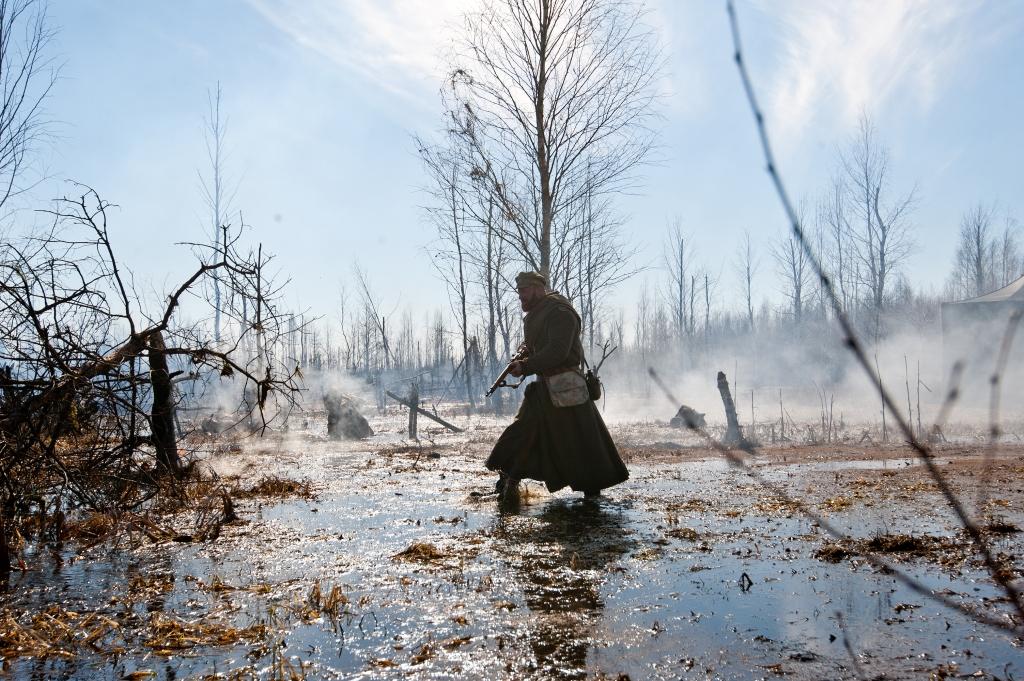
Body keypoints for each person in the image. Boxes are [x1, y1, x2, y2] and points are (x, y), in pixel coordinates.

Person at [486, 271, 629, 502]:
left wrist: (526, 365)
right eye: (519, 291)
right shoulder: (541, 313)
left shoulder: (560, 313)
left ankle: (591, 494)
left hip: (567, 389)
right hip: (546, 390)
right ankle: (508, 483)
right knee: (522, 434)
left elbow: (557, 351)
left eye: (524, 290)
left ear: (537, 288)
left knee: (582, 443)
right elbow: (540, 344)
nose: (520, 296)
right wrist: (526, 354)